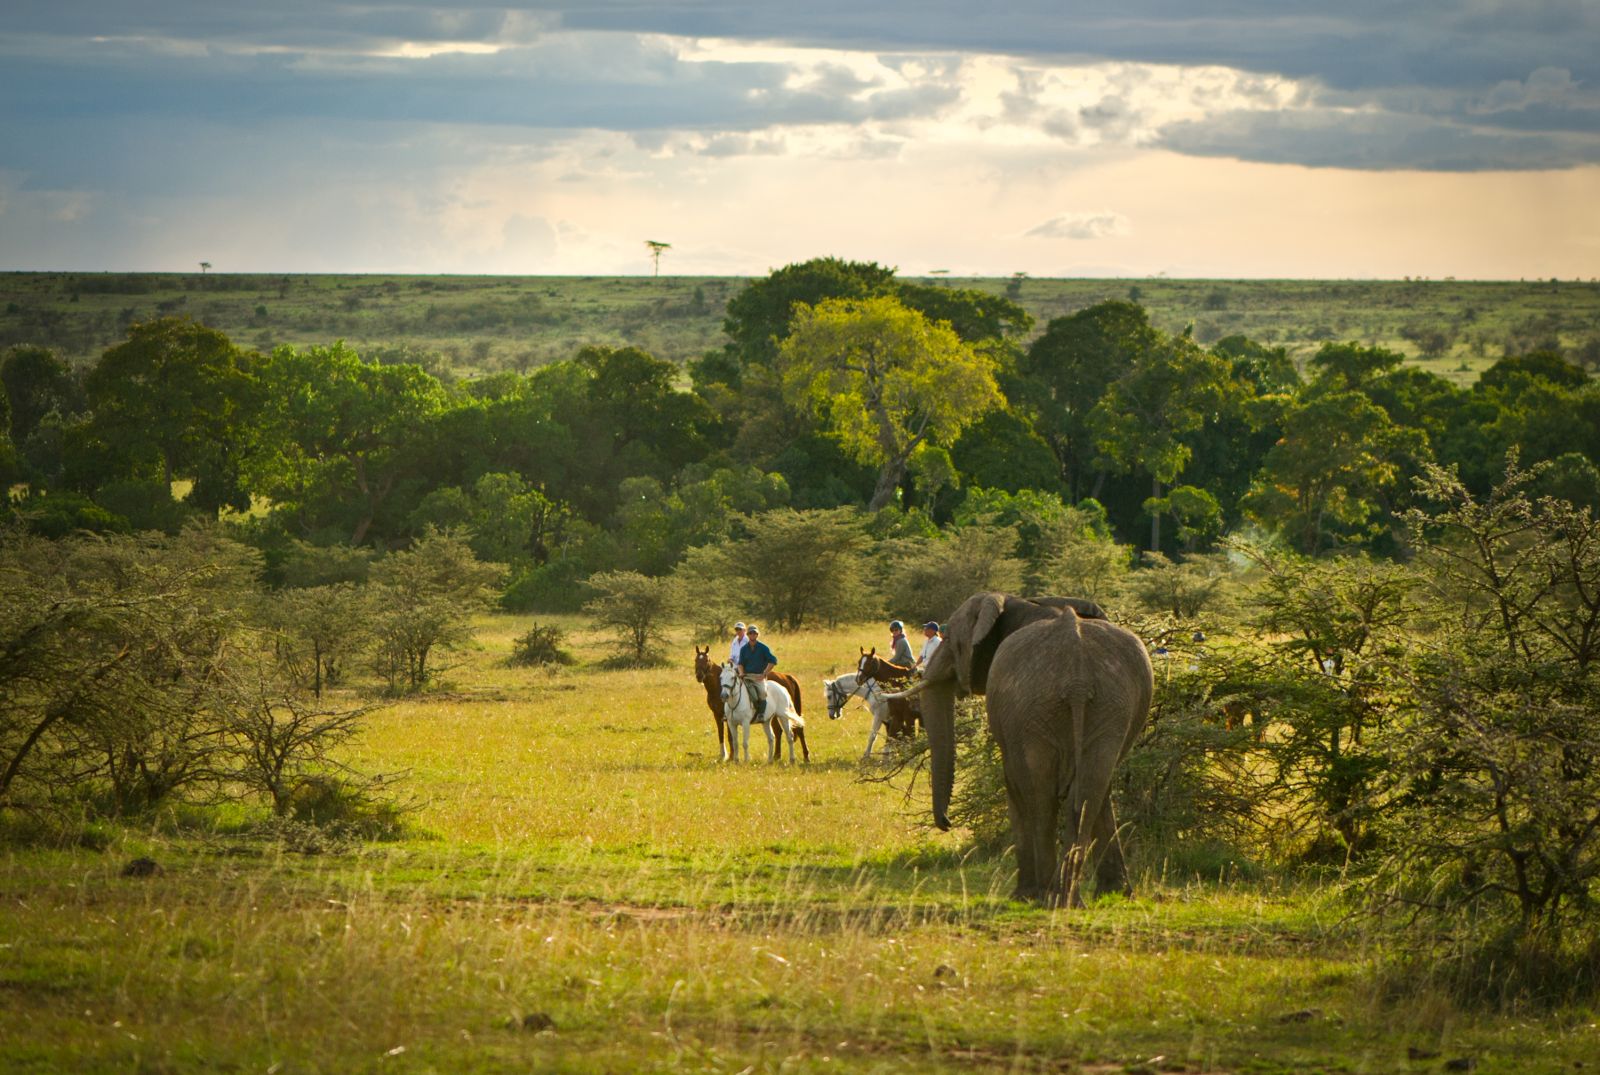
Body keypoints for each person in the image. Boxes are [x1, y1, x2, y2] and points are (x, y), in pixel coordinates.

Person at [736, 624, 777, 719]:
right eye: (750, 633)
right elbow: (740, 663)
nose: (752, 635)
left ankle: (761, 714)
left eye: (754, 633)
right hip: (746, 676)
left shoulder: (763, 648)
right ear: (747, 635)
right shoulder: (743, 649)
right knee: (733, 688)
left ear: (757, 635)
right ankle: (730, 713)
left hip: (758, 676)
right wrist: (741, 673)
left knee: (762, 692)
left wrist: (765, 673)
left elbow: (773, 661)